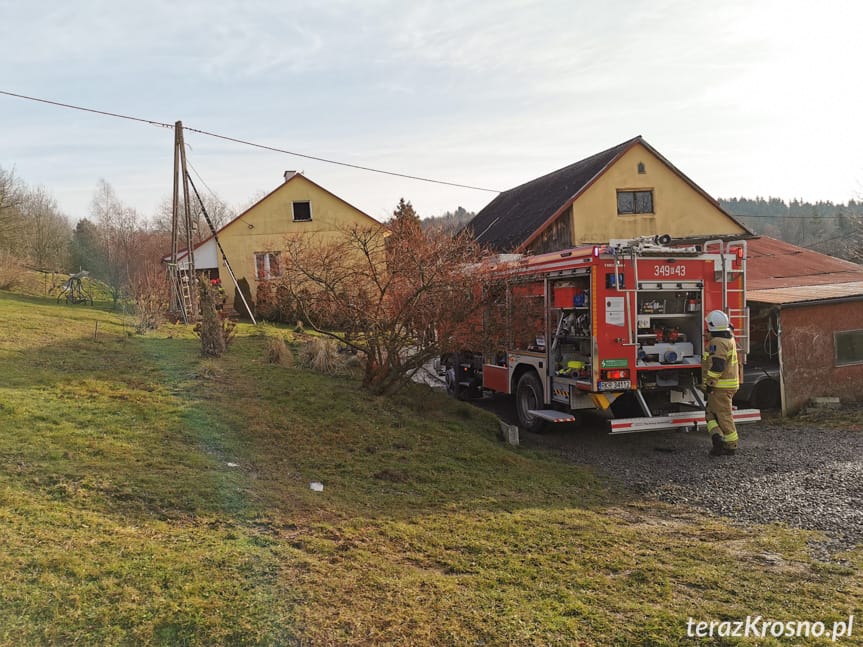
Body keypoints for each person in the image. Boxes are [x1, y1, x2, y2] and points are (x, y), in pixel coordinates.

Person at [703, 310, 739, 456]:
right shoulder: (727, 338)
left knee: (723, 415)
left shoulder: (718, 342)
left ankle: (731, 445)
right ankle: (718, 439)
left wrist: (710, 383)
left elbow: (718, 366)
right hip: (724, 385)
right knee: (710, 414)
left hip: (720, 386)